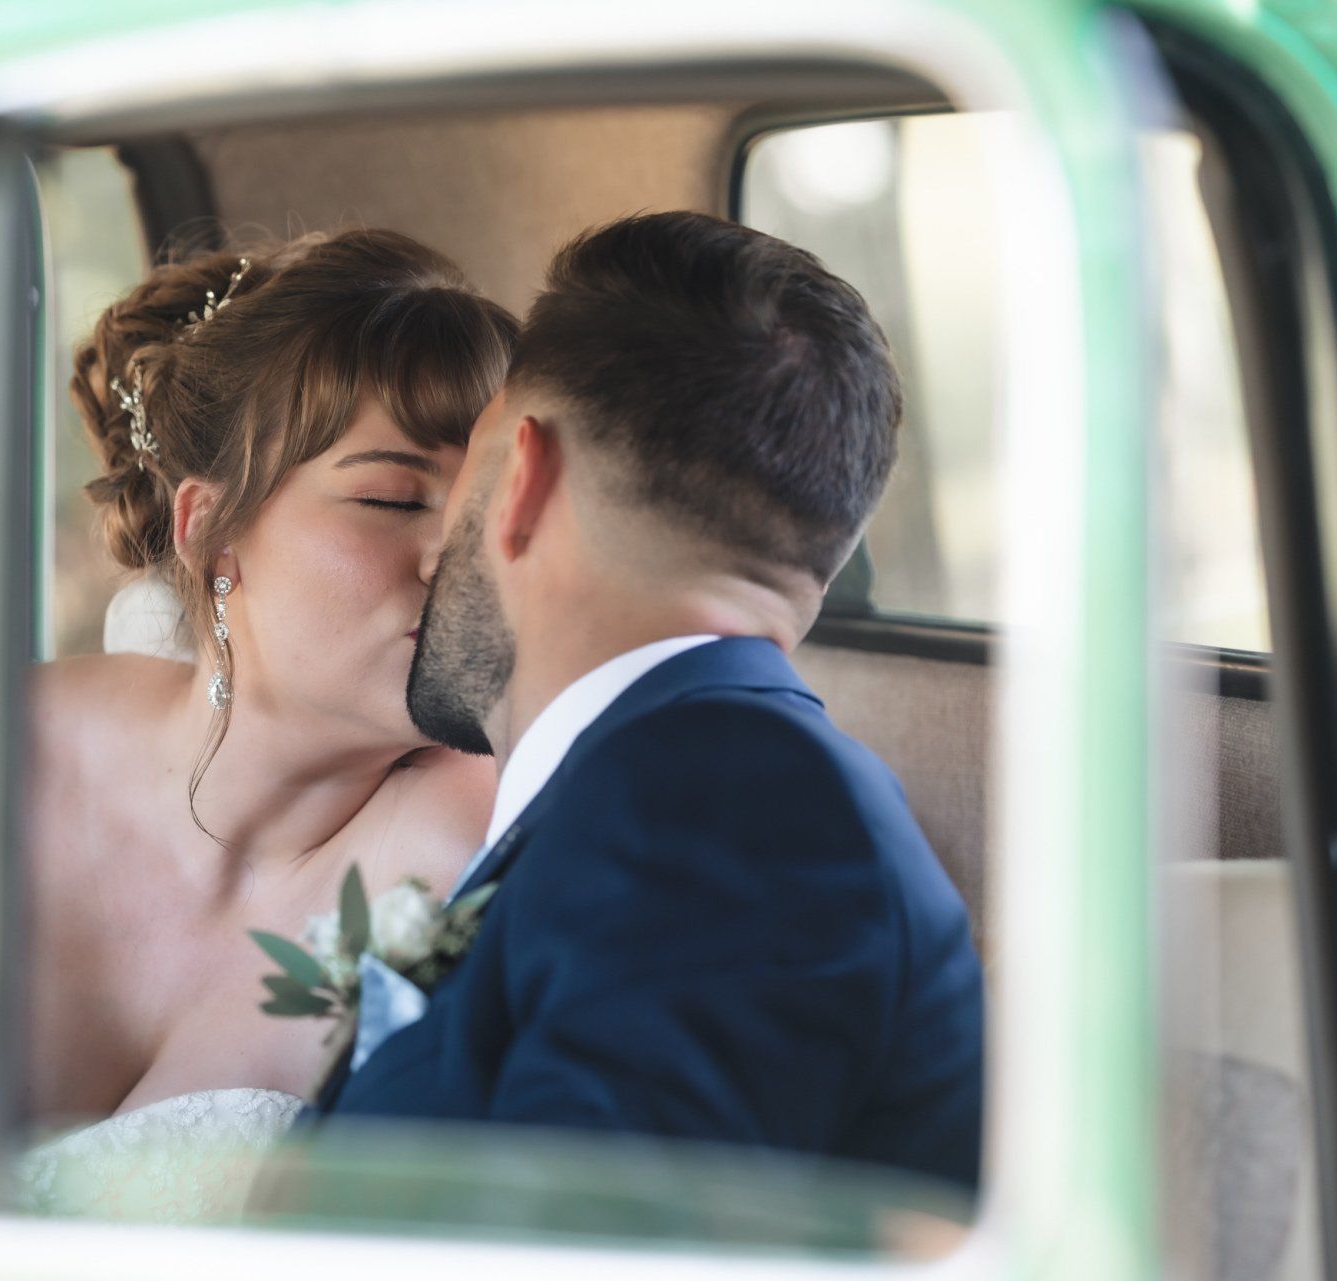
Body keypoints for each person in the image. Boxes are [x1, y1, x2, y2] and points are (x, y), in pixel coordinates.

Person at [0, 230, 518, 1164]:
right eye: (390, 499)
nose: (453, 560)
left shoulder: (489, 840)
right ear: (211, 527)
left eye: (488, 514)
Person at [319, 211, 984, 1191]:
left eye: (470, 462)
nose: (430, 544)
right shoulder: (691, 790)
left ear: (523, 480)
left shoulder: (729, 827)